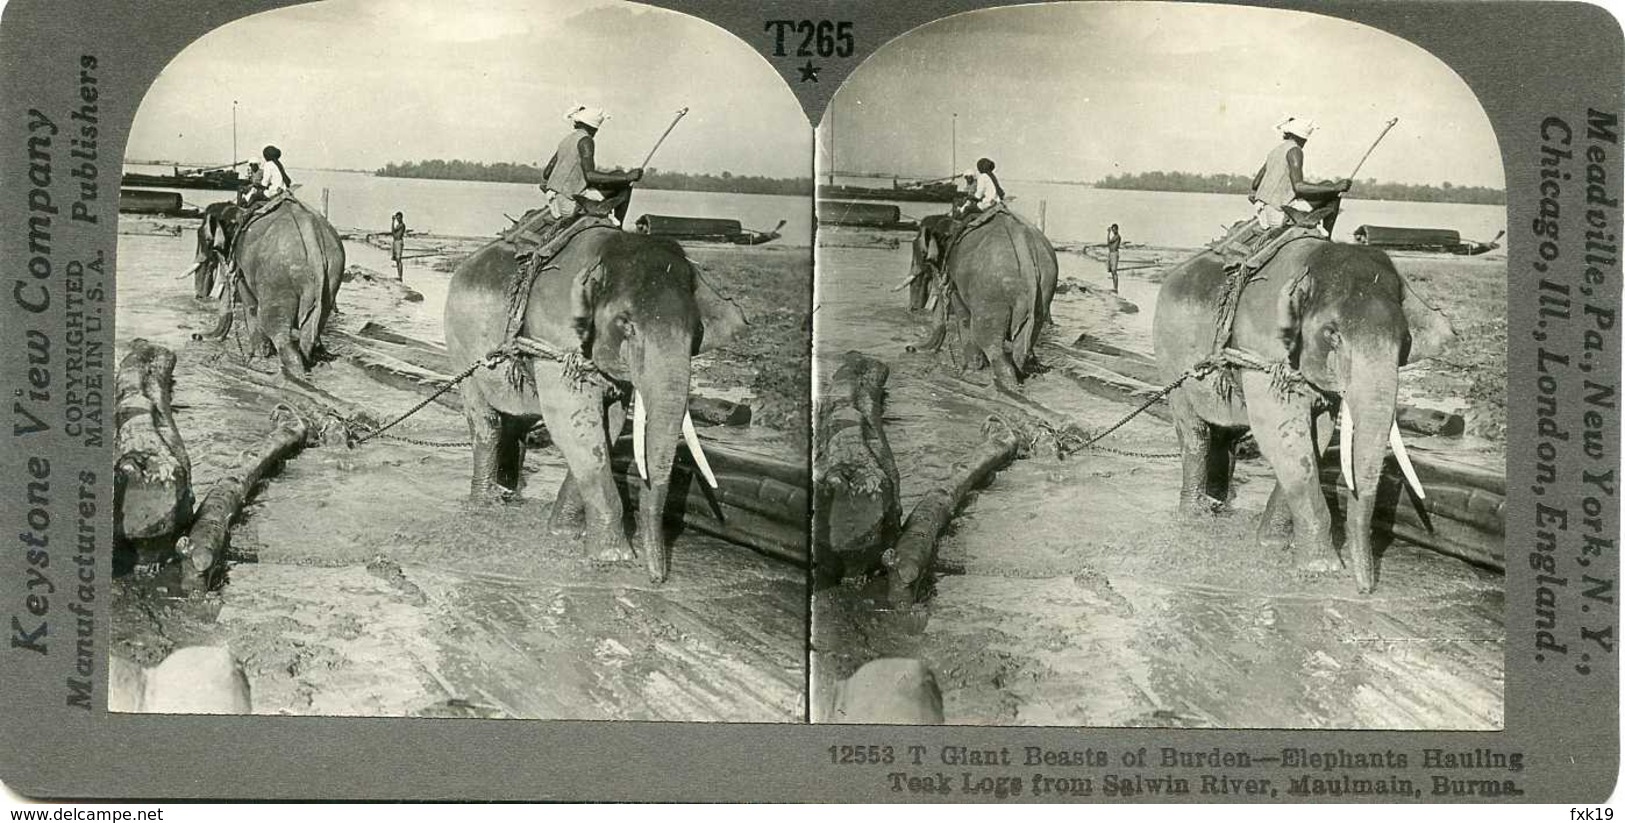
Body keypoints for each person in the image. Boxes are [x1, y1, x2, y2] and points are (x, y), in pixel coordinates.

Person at [540, 105, 643, 227]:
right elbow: (590, 176)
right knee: (625, 184)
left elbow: (546, 174)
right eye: (596, 130)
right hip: (568, 206)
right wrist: (628, 177)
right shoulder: (586, 140)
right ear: (592, 127)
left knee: (616, 176)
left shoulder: (567, 140)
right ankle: (618, 226)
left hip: (555, 202)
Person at [1250, 117, 1349, 235]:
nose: (1305, 143)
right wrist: (1336, 188)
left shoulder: (1275, 151)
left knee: (1326, 184)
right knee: (1332, 192)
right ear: (1302, 138)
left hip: (1263, 212)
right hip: (1279, 214)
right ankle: (1326, 238)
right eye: (1305, 140)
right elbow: (1298, 187)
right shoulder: (1295, 151)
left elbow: (1255, 184)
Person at [389, 211, 407, 280]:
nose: (398, 219)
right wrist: (393, 222)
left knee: (399, 259)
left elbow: (394, 233)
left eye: (399, 218)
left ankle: (400, 276)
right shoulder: (398, 225)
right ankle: (399, 275)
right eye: (397, 218)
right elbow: (393, 233)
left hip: (399, 241)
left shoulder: (402, 225)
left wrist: (393, 221)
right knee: (396, 259)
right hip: (396, 241)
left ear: (401, 218)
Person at [1106, 223, 1122, 293]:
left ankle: (1116, 288)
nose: (1113, 231)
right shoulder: (1114, 236)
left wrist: (1108, 233)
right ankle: (1114, 287)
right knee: (1112, 272)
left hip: (1114, 253)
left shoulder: (1117, 236)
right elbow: (1109, 244)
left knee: (1114, 271)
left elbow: (1109, 242)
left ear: (1117, 229)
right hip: (1111, 253)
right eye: (1112, 230)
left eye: (1114, 230)